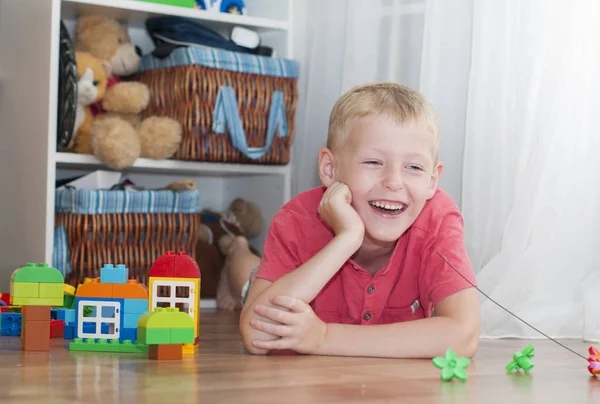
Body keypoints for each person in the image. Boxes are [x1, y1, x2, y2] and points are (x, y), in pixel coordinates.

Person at [218, 82, 480, 359]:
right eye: (373, 162)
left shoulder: (438, 219)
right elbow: (258, 334)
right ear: (330, 169)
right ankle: (237, 249)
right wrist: (347, 238)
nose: (393, 182)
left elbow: (463, 336)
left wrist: (323, 338)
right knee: (246, 279)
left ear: (432, 180)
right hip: (272, 285)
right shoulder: (297, 219)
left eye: (413, 167)